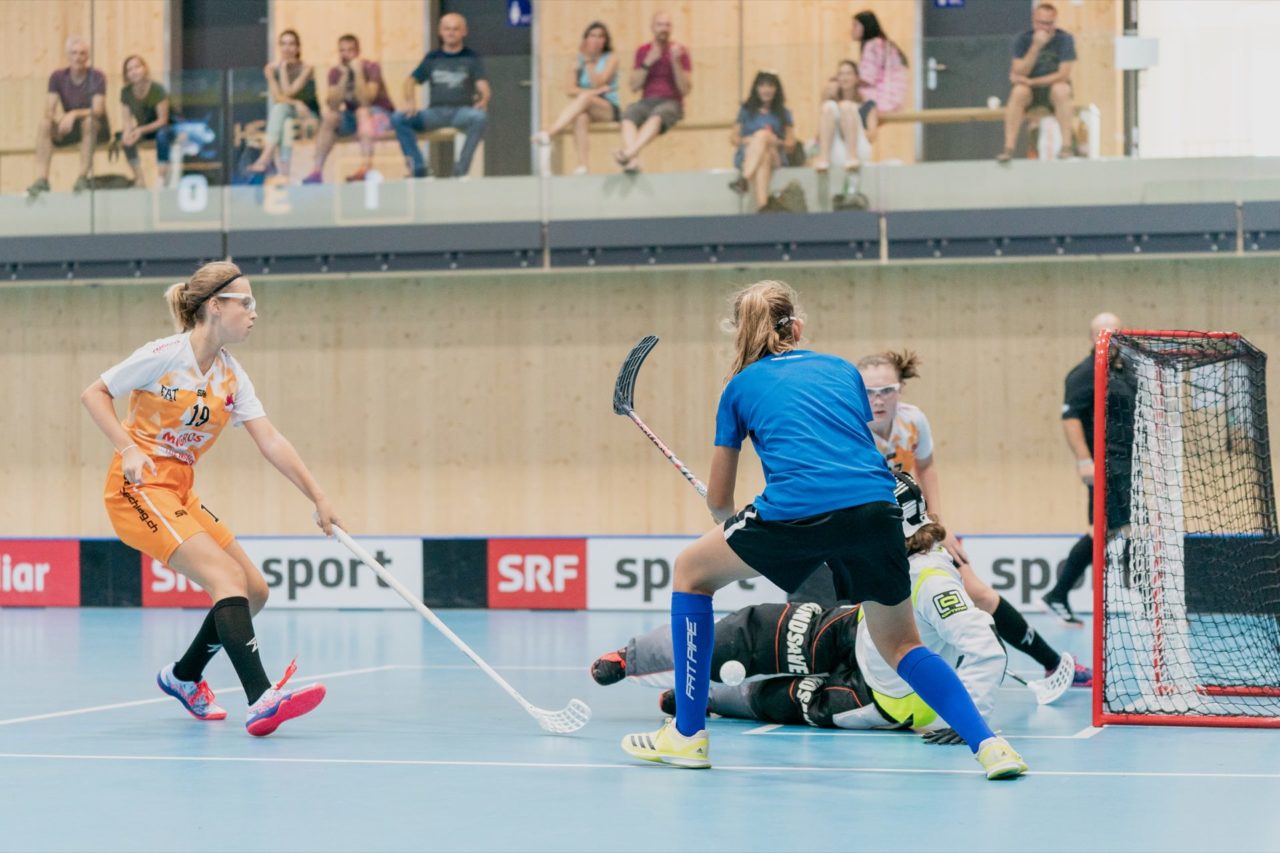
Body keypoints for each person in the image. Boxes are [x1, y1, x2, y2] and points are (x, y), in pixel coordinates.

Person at [619, 279, 1027, 780]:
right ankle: (989, 746)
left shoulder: (738, 387)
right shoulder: (840, 369)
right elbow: (850, 452)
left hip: (795, 511)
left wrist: (727, 522)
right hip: (877, 511)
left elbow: (722, 501)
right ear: (799, 325)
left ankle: (686, 735)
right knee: (903, 646)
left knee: (690, 572)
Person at [596, 473, 1073, 739]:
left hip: (880, 697)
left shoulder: (930, 577)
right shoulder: (884, 545)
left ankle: (702, 701)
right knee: (752, 627)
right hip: (855, 630)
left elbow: (985, 647)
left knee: (775, 699)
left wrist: (966, 716)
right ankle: (631, 656)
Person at [79, 261, 335, 736]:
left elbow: (270, 440)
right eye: (247, 303)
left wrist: (318, 496)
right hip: (136, 488)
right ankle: (261, 700)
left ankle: (184, 676)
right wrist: (129, 447)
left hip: (179, 489)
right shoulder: (163, 355)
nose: (254, 313)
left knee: (254, 591)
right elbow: (94, 393)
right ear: (215, 306)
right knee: (224, 577)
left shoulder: (232, 377)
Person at [842, 350, 1092, 686]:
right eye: (869, 392)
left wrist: (936, 524)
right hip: (866, 537)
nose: (878, 400)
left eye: (886, 390)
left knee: (979, 592)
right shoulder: (849, 430)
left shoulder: (913, 420)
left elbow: (926, 467)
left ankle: (1053, 664)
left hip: (911, 530)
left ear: (900, 388)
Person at [1042, 312, 1123, 625]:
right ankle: (1058, 593)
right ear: (1094, 338)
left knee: (1108, 531)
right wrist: (1084, 460)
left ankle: (1058, 593)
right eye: (1107, 334)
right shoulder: (1084, 374)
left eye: (1119, 333)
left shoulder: (1124, 370)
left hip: (1125, 465)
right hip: (1103, 466)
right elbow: (1071, 418)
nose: (1114, 340)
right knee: (1107, 530)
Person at [392, 13, 490, 179]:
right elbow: (410, 81)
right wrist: (410, 101)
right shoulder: (432, 58)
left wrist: (484, 99)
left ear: (464, 31)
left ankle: (460, 170)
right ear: (440, 31)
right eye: (447, 29)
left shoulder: (471, 58)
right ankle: (419, 168)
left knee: (480, 117)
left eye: (455, 29)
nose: (451, 33)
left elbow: (483, 85)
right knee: (398, 118)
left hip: (461, 112)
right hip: (434, 113)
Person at [303, 34, 395, 184]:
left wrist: (358, 72)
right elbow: (332, 104)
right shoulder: (336, 72)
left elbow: (367, 100)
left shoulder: (371, 67)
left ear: (358, 51)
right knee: (330, 117)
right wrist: (344, 76)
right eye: (342, 51)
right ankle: (316, 171)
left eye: (350, 50)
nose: (346, 55)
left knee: (362, 111)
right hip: (355, 118)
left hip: (380, 116)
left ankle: (366, 168)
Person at [532, 21, 619, 175]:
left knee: (585, 98)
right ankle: (582, 165)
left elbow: (598, 82)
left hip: (608, 107)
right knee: (580, 117)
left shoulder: (611, 58)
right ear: (586, 39)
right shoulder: (577, 60)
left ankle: (550, 132)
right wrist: (593, 92)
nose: (596, 40)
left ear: (605, 40)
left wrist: (588, 62)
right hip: (586, 105)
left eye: (601, 36)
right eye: (592, 36)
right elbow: (569, 89)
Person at [28, 37, 108, 198]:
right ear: (68, 56)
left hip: (95, 127)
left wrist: (73, 114)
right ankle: (42, 179)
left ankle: (82, 177)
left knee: (89, 122)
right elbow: (49, 109)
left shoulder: (97, 76)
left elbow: (98, 109)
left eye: (82, 53)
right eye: (74, 53)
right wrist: (58, 120)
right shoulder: (57, 77)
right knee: (45, 124)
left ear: (87, 57)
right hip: (70, 129)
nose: (78, 57)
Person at [612, 12, 692, 174]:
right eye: (660, 25)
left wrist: (676, 62)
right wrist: (647, 62)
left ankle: (628, 153)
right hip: (646, 101)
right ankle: (633, 160)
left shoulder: (680, 51)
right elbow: (634, 86)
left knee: (658, 115)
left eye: (667, 25)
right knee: (628, 115)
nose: (664, 29)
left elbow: (685, 89)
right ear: (652, 28)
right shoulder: (643, 51)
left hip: (671, 102)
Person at [998, 3, 1076, 162]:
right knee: (1019, 91)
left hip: (1052, 89)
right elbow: (1019, 71)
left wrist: (1032, 81)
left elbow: (1063, 74)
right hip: (1029, 92)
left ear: (1055, 22)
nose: (1045, 28)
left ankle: (1066, 146)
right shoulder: (1022, 39)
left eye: (1049, 23)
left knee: (1061, 89)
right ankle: (1009, 147)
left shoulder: (1065, 39)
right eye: (1041, 23)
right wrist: (1036, 46)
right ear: (1034, 22)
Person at [247, 30, 319, 178]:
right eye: (284, 44)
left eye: (292, 44)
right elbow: (277, 97)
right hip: (290, 112)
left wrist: (283, 70)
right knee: (283, 118)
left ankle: (265, 160)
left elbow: (289, 91)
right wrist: (296, 103)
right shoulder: (270, 69)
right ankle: (282, 170)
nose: (287, 48)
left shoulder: (307, 68)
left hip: (309, 114)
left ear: (298, 48)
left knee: (282, 111)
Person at [727, 71, 795, 211]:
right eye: (762, 86)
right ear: (756, 88)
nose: (766, 90)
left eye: (770, 86)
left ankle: (744, 178)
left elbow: (790, 144)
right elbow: (733, 138)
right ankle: (763, 207)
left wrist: (774, 141)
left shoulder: (783, 113)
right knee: (764, 155)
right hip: (749, 154)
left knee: (764, 135)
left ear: (776, 89)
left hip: (776, 154)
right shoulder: (746, 110)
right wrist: (747, 140)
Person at [116, 55, 174, 189]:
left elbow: (162, 120)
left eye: (137, 67)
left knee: (162, 136)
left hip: (162, 128)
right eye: (129, 69)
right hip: (143, 129)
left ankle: (161, 177)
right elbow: (127, 120)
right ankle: (139, 178)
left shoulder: (157, 89)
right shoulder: (126, 92)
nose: (134, 71)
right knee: (125, 139)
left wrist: (140, 130)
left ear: (144, 68)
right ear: (126, 75)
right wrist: (127, 133)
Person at [814, 60, 877, 173]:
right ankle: (823, 159)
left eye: (848, 73)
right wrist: (825, 99)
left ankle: (852, 158)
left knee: (847, 107)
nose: (845, 77)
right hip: (837, 148)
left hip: (858, 146)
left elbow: (872, 135)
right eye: (841, 74)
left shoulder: (868, 105)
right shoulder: (831, 106)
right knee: (829, 106)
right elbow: (818, 136)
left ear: (856, 77)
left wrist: (850, 127)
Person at [850, 11, 909, 115]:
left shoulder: (873, 45)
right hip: (895, 98)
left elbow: (867, 78)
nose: (851, 30)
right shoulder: (883, 43)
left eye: (855, 25)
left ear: (865, 26)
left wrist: (846, 79)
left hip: (883, 98)